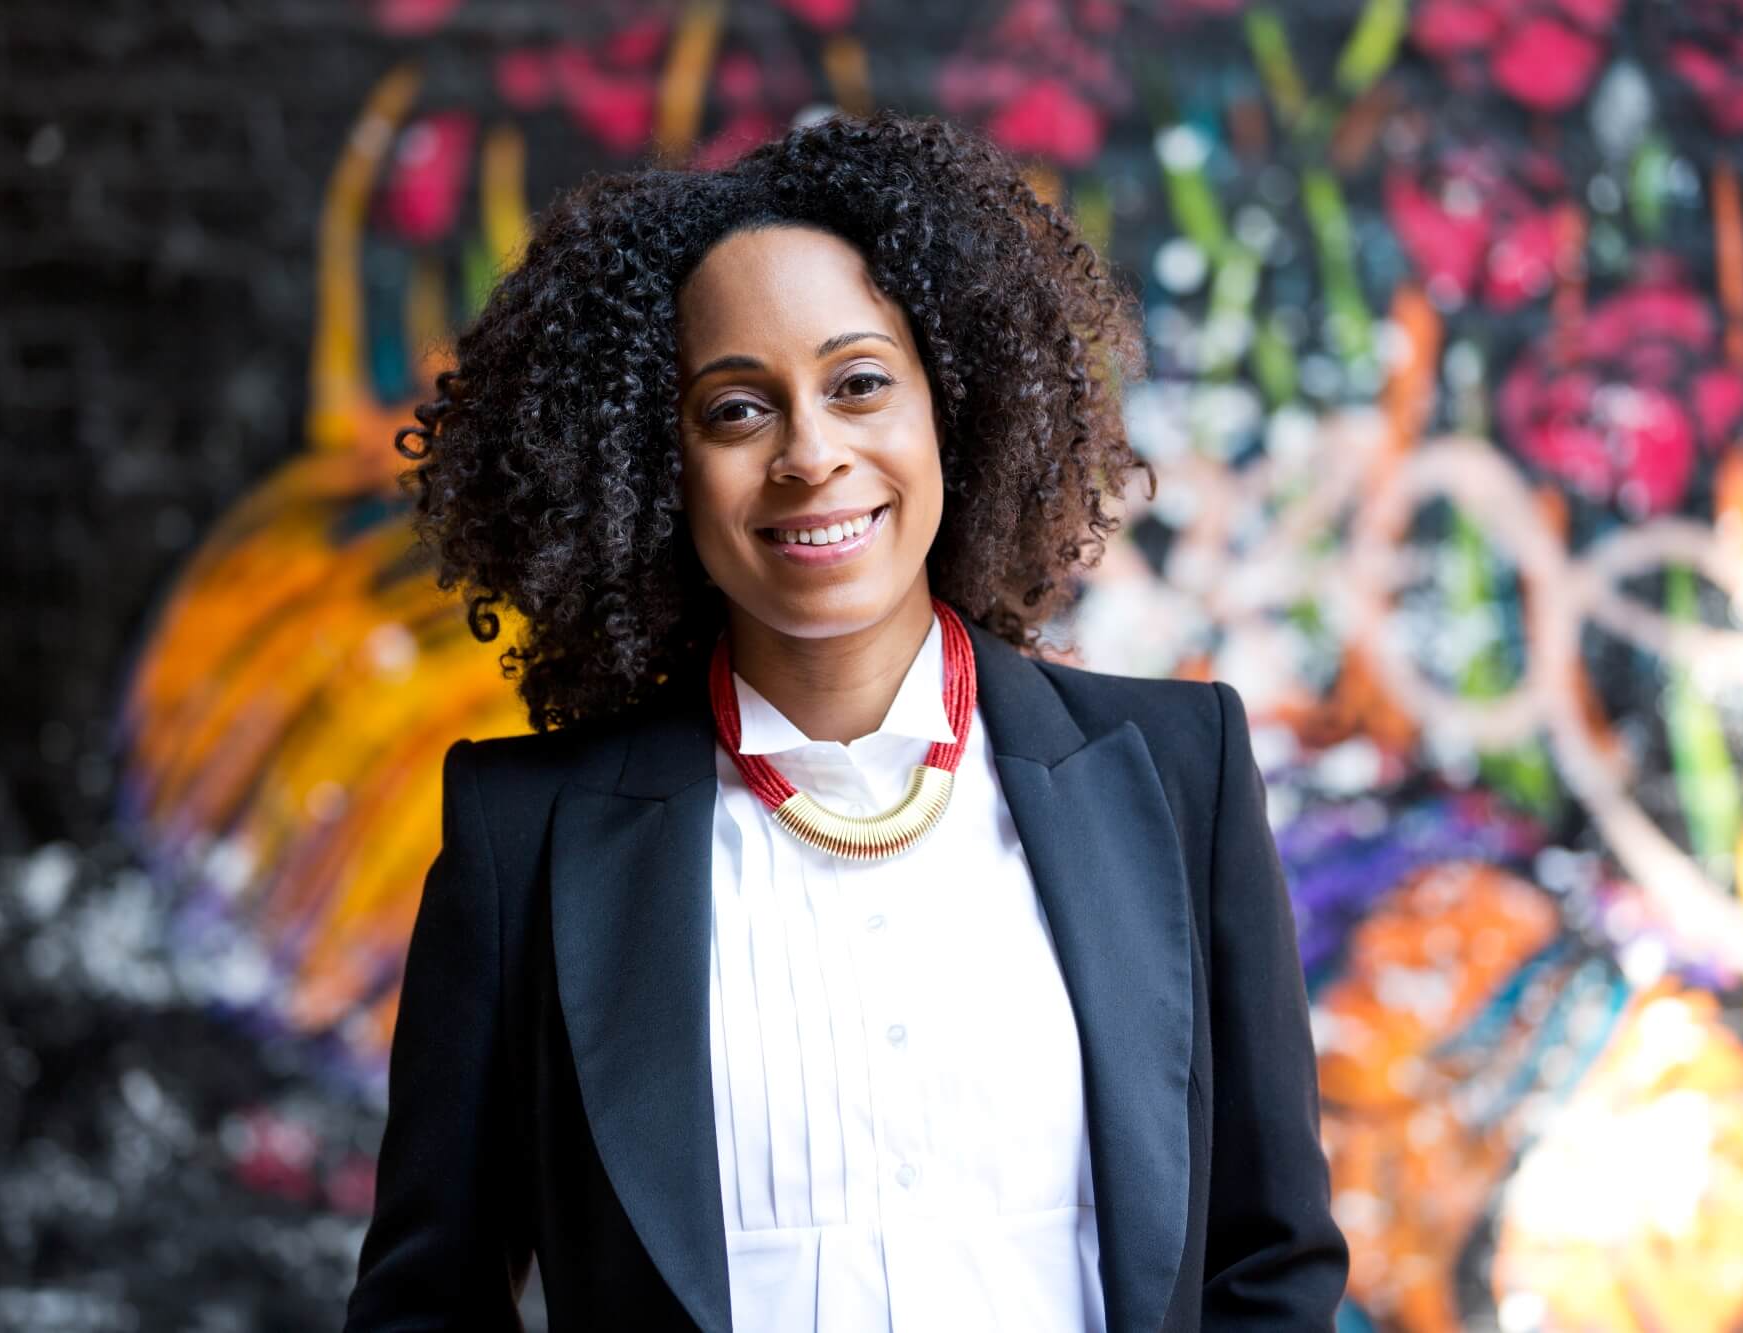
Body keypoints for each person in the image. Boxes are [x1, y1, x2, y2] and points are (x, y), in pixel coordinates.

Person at [342, 108, 1348, 1333]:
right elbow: (424, 1308)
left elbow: (1270, 1264)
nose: (810, 453)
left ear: (952, 409)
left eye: (860, 382)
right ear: (655, 467)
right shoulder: (526, 841)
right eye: (734, 410)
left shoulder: (1175, 773)